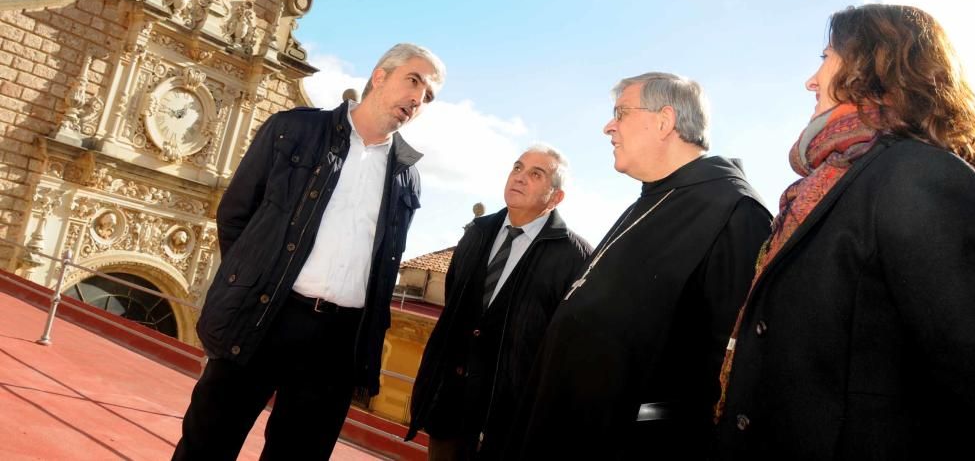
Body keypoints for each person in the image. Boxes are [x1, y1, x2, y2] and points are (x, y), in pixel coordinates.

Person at [714, 5, 975, 459]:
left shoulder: (915, 175)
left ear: (872, 65)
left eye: (826, 56)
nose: (811, 80)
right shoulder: (827, 183)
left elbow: (974, 371)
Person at [172, 43, 445, 461]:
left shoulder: (407, 176)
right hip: (264, 315)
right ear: (379, 76)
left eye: (427, 97)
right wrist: (257, 279)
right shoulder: (293, 130)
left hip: (337, 343)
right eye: (414, 81)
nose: (417, 99)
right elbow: (235, 215)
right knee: (208, 443)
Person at [509, 73, 772, 459]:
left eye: (621, 113)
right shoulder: (649, 201)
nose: (608, 127)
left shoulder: (734, 211)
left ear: (664, 121)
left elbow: (725, 375)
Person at [406, 146, 590, 459]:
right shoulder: (476, 233)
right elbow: (455, 305)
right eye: (517, 168)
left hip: (507, 420)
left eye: (536, 174)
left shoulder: (575, 257)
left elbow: (566, 345)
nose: (520, 177)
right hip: (450, 405)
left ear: (556, 197)